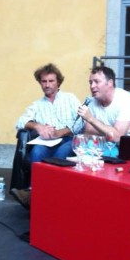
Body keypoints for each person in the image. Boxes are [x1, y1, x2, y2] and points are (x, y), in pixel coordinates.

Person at [11, 63, 81, 209]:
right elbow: (20, 121)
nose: (47, 85)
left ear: (58, 82)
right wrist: (38, 126)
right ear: (40, 83)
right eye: (44, 81)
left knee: (62, 152)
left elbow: (81, 122)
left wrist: (61, 132)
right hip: (47, 141)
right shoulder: (37, 105)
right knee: (37, 150)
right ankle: (33, 191)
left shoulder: (70, 98)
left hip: (68, 139)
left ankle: (47, 193)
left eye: (51, 81)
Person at [75, 64, 130, 156]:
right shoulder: (93, 102)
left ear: (110, 83)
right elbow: (88, 132)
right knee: (84, 149)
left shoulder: (126, 100)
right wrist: (111, 130)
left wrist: (91, 119)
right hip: (113, 146)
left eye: (96, 81)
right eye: (90, 82)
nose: (92, 86)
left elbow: (117, 137)